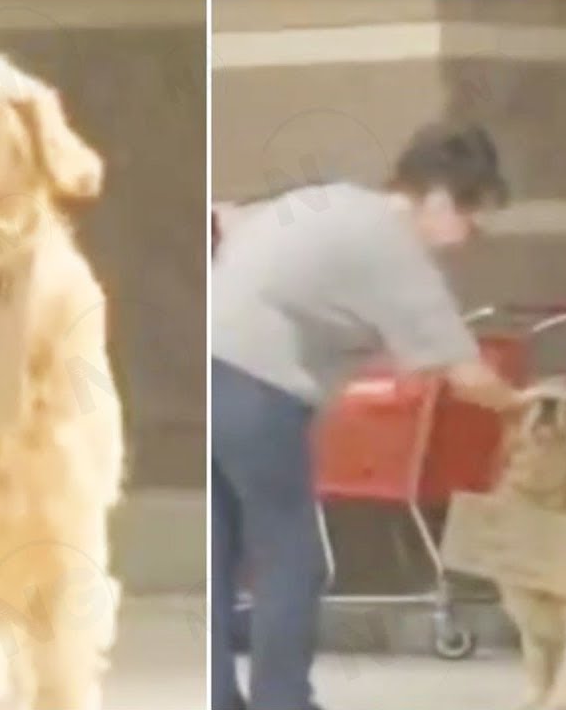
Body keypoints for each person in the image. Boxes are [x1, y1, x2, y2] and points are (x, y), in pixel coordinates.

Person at [210, 121, 524, 710]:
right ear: (435, 199)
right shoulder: (396, 248)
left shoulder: (326, 199)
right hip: (257, 386)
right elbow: (466, 373)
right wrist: (533, 406)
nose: (465, 239)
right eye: (470, 221)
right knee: (290, 558)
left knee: (221, 550)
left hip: (208, 365)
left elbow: (229, 221)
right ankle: (283, 700)